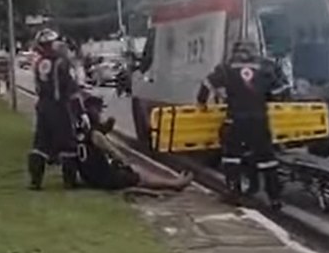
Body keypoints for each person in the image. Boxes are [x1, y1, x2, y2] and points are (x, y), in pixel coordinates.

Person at [196, 39, 287, 210]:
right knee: (267, 159)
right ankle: (274, 198)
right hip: (259, 120)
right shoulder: (266, 67)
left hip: (236, 119)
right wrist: (269, 98)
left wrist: (201, 102)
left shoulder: (227, 68)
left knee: (232, 156)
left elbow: (207, 83)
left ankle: (233, 193)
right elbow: (280, 90)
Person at [76, 95, 193, 192]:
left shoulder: (80, 132)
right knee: (139, 173)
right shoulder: (96, 135)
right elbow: (115, 153)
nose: (101, 114)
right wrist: (125, 163)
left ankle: (174, 181)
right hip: (104, 178)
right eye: (99, 111)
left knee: (134, 170)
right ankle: (175, 184)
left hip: (90, 176)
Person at [28, 28, 81, 190]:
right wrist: (79, 110)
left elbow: (38, 88)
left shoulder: (38, 63)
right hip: (59, 107)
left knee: (40, 144)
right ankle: (69, 182)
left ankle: (35, 181)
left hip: (43, 106)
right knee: (67, 144)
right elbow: (70, 88)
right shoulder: (61, 63)